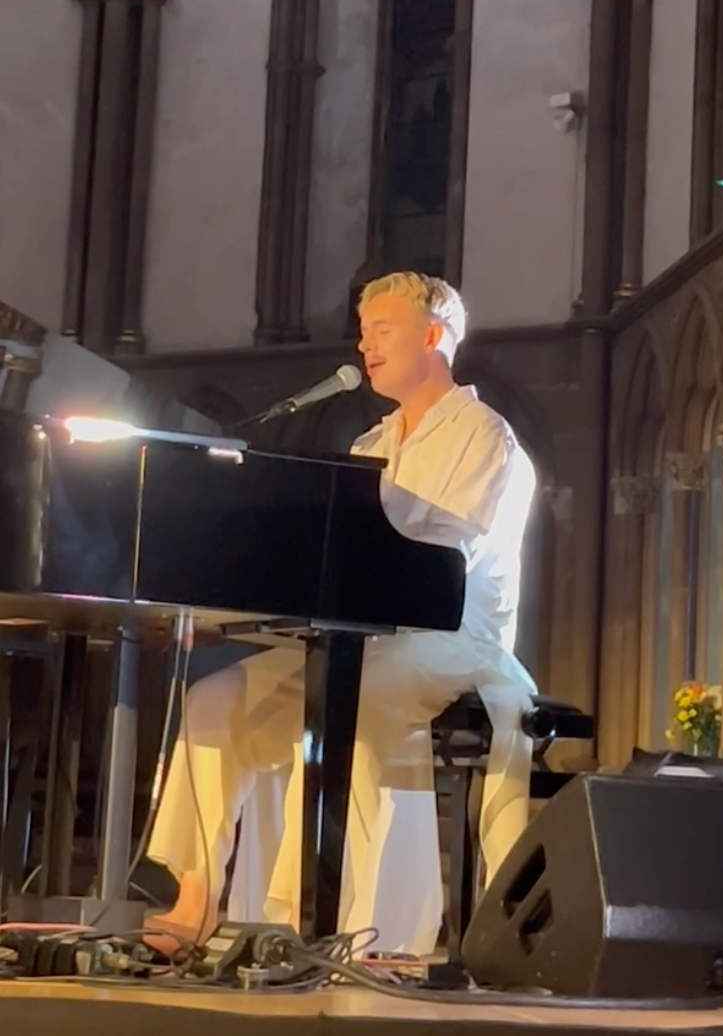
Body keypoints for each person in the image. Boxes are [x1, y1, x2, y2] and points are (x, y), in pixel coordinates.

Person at [145, 271, 537, 957]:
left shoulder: (485, 437)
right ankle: (199, 896)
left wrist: (359, 528)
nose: (365, 345)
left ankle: (367, 930)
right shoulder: (370, 445)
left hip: (452, 639)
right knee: (214, 699)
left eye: (382, 330)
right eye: (363, 331)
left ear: (434, 335)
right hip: (362, 639)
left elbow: (448, 554)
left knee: (347, 697)